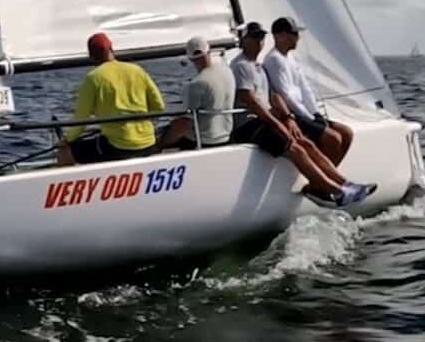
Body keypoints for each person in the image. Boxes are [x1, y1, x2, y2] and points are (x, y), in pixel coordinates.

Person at [230, 21, 375, 208]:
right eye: (254, 37)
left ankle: (345, 184)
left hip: (264, 121)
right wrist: (278, 124)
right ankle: (336, 192)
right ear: (243, 40)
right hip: (249, 125)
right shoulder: (240, 65)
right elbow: (251, 101)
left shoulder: (257, 66)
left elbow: (274, 96)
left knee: (306, 143)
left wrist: (288, 118)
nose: (259, 41)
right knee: (294, 147)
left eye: (261, 37)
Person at [56, 33, 165, 165]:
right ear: (112, 49)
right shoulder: (137, 70)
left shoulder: (93, 78)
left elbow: (81, 120)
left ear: (91, 56)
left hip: (117, 148)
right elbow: (159, 107)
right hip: (148, 142)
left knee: (66, 151)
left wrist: (66, 140)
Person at [263, 17, 354, 165]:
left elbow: (304, 88)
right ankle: (324, 182)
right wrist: (309, 117)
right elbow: (285, 95)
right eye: (294, 33)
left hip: (305, 113)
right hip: (293, 114)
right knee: (333, 139)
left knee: (347, 133)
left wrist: (315, 113)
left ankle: (326, 181)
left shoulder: (290, 57)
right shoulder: (274, 60)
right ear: (280, 36)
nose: (298, 38)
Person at [154, 36, 235, 151]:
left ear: (190, 59)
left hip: (202, 142)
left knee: (165, 131)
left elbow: (182, 126)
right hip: (225, 137)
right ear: (209, 51)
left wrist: (160, 145)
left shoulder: (196, 84)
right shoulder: (227, 71)